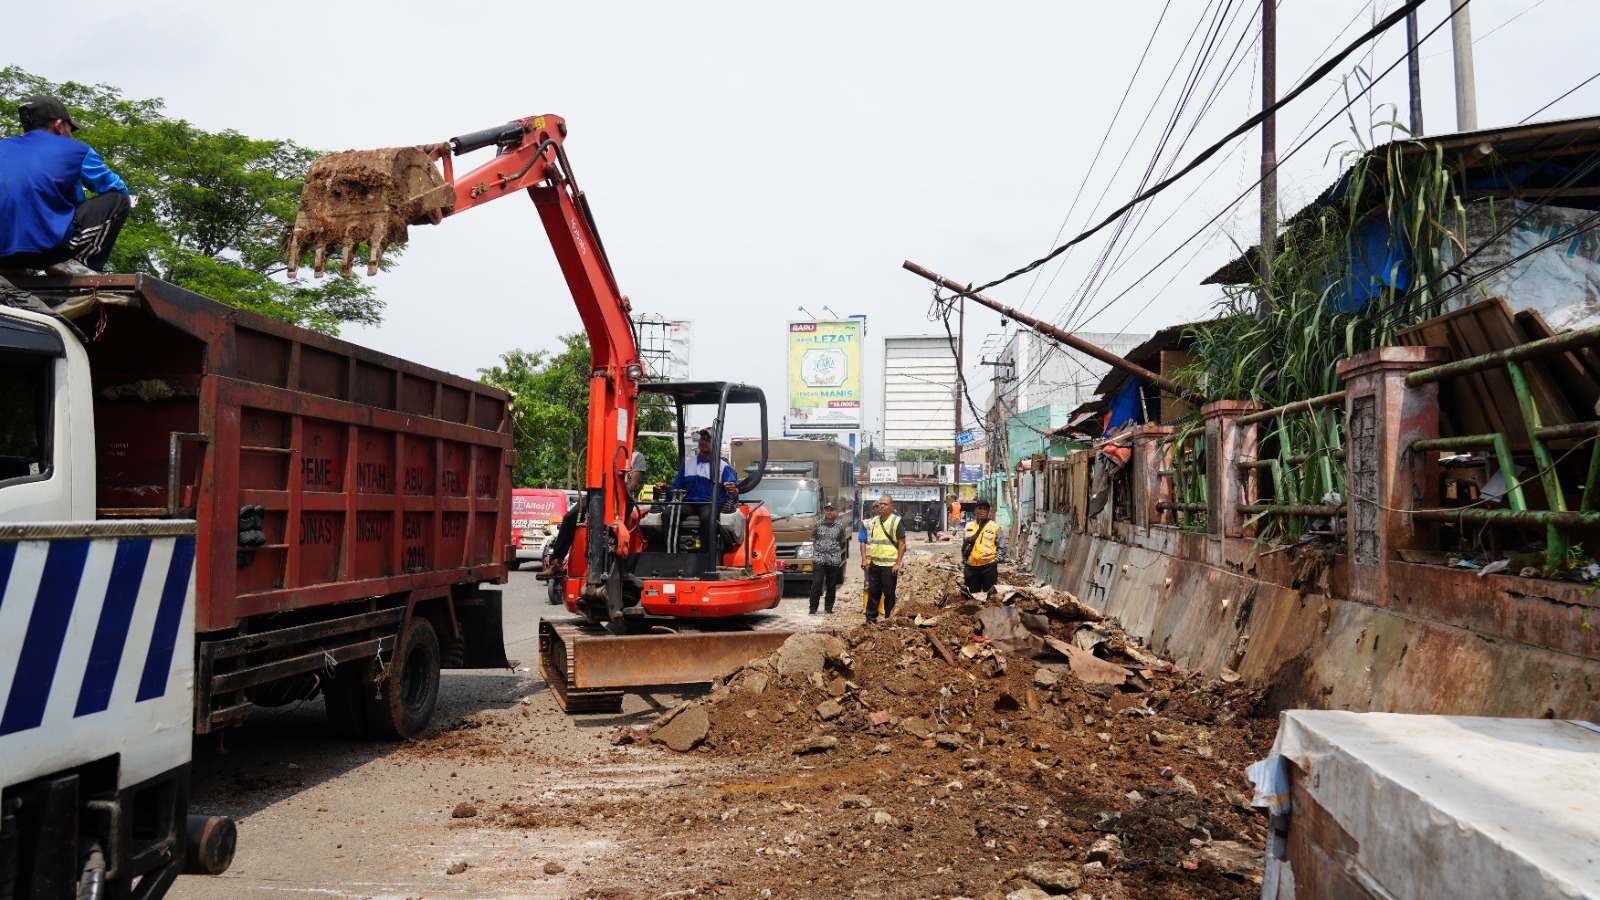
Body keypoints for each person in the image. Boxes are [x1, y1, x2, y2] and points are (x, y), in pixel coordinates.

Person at [0, 96, 132, 275]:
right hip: (48, 253)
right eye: (70, 129)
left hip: (3, 255)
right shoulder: (78, 151)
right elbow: (117, 188)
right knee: (119, 200)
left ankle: (14, 269)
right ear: (59, 125)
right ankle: (77, 262)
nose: (71, 135)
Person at [860, 495, 906, 623]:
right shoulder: (875, 521)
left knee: (889, 593)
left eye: (885, 504)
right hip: (875, 563)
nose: (882, 506)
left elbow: (902, 544)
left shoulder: (896, 521)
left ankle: (888, 618)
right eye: (880, 504)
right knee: (873, 592)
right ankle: (870, 619)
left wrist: (898, 563)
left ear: (891, 506)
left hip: (889, 565)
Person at [808, 501, 850, 614]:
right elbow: (814, 540)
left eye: (832, 510)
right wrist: (820, 550)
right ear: (824, 511)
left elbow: (841, 541)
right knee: (816, 583)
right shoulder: (817, 524)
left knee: (831, 585)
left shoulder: (840, 526)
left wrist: (832, 550)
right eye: (827, 510)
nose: (829, 512)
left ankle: (828, 608)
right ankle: (813, 608)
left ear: (836, 512)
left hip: (833, 559)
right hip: (819, 558)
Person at [962, 499, 1004, 593]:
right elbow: (964, 545)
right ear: (975, 510)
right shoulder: (969, 526)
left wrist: (996, 560)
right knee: (972, 595)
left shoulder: (995, 527)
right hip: (971, 567)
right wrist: (964, 560)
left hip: (988, 567)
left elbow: (1002, 546)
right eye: (980, 508)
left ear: (988, 511)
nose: (982, 511)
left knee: (990, 595)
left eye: (985, 509)